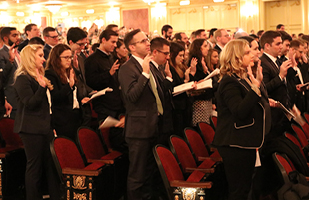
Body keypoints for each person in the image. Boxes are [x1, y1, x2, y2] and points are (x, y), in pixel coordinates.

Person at [213, 39, 271, 200]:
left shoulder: (242, 78)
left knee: (245, 188)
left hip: (245, 140)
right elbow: (239, 111)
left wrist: (257, 83)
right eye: (246, 52)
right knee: (239, 190)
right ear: (236, 57)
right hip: (234, 142)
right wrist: (255, 87)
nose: (252, 54)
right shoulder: (228, 82)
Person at [118, 29, 161, 200]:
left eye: (147, 39)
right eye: (143, 41)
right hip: (138, 129)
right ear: (132, 47)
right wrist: (144, 74)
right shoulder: (127, 68)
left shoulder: (148, 63)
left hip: (153, 125)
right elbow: (132, 96)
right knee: (137, 175)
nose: (148, 42)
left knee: (149, 173)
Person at [13, 44, 60, 200]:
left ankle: (55, 196)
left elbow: (48, 106)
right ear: (30, 58)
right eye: (40, 56)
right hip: (30, 129)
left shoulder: (39, 76)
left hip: (44, 127)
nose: (43, 58)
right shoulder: (22, 78)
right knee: (35, 167)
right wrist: (41, 87)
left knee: (51, 165)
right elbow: (30, 103)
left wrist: (51, 126)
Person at [45, 44, 90, 140]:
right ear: (56, 58)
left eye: (70, 57)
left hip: (76, 115)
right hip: (63, 118)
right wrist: (69, 86)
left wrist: (81, 99)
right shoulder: (50, 74)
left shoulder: (70, 71)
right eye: (66, 57)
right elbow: (55, 97)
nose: (69, 60)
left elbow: (74, 93)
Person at [169, 42, 194, 135]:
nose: (183, 58)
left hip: (184, 106)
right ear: (172, 55)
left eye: (183, 55)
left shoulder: (180, 67)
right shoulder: (170, 69)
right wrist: (186, 82)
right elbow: (174, 88)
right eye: (180, 55)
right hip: (177, 108)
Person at [187, 38, 213, 125]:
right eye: (205, 46)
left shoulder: (203, 61)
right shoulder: (194, 62)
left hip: (207, 100)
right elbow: (194, 81)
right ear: (198, 48)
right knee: (202, 126)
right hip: (199, 103)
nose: (208, 49)